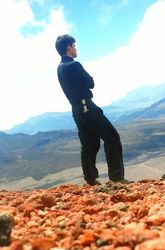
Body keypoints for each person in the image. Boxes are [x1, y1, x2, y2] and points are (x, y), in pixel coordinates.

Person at [55, 34, 129, 186]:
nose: (75, 49)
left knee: (89, 144)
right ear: (69, 47)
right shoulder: (74, 65)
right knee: (112, 137)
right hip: (87, 106)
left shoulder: (60, 68)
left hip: (76, 109)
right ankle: (117, 178)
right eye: (74, 45)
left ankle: (90, 179)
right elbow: (91, 83)